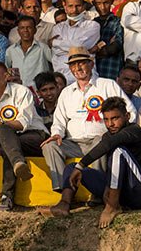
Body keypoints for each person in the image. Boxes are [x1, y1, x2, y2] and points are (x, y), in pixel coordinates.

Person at [54, 97, 141, 225]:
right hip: (124, 193)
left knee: (118, 151)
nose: (110, 124)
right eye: (106, 119)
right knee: (72, 168)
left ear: (127, 116)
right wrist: (80, 168)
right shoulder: (109, 135)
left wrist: (82, 164)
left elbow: (109, 145)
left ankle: (112, 207)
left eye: (115, 118)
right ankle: (64, 205)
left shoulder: (134, 131)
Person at [43, 49, 131, 210]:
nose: (78, 68)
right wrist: (56, 134)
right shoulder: (66, 92)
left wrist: (117, 134)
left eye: (81, 63)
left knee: (101, 140)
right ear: (70, 68)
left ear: (91, 63)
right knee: (50, 145)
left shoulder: (107, 85)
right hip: (74, 142)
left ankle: (98, 192)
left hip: (100, 140)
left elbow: (129, 111)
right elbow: (59, 121)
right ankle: (63, 189)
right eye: (73, 65)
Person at [0, 61, 46, 211]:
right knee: (7, 139)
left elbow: (22, 123)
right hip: (9, 141)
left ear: (6, 76)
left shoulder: (22, 91)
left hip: (35, 136)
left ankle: (6, 196)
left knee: (4, 132)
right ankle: (18, 166)